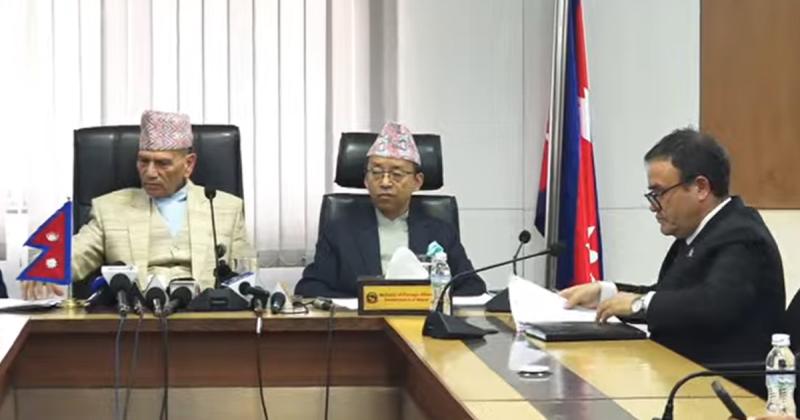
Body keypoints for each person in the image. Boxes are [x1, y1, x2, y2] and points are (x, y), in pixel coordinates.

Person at [560, 128, 785, 368]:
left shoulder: (742, 235)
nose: (653, 206)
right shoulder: (701, 232)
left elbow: (714, 306)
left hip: (722, 382)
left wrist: (639, 304)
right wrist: (607, 293)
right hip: (683, 370)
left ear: (701, 188)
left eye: (659, 193)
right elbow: (672, 296)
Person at [23, 110, 253, 299]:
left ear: (188, 165)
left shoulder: (226, 208)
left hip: (202, 320)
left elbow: (246, 275)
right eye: (144, 161)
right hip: (135, 321)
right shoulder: (110, 208)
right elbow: (80, 251)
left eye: (162, 163)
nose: (150, 172)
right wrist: (47, 267)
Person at [295, 122, 486, 298]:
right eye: (376, 173)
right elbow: (310, 287)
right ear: (365, 180)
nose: (385, 182)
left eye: (397, 174)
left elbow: (473, 286)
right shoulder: (339, 230)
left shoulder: (440, 231)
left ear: (417, 181)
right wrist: (365, 304)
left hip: (424, 321)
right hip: (361, 322)